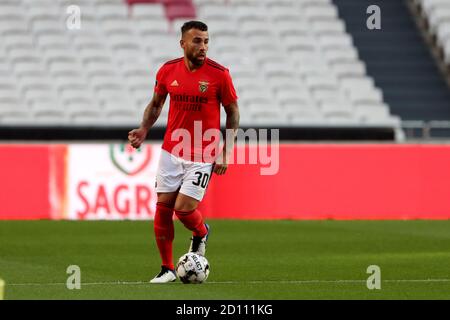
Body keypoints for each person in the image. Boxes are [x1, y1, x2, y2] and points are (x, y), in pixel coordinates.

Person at [128, 21, 240, 283]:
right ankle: (166, 269)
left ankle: (201, 232)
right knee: (163, 208)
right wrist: (144, 128)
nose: (203, 46)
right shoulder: (168, 71)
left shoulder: (219, 74)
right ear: (183, 43)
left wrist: (227, 150)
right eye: (198, 41)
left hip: (203, 153)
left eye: (206, 41)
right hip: (171, 151)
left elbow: (233, 111)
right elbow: (156, 104)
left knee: (184, 210)